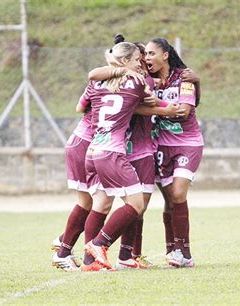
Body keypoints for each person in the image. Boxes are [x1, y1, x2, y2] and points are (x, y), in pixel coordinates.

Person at [80, 41, 151, 271]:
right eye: (136, 60)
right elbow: (149, 102)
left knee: (101, 203)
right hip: (112, 152)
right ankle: (99, 244)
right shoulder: (136, 82)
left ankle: (89, 262)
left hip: (93, 151)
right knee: (136, 203)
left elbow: (93, 78)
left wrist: (122, 70)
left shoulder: (99, 82)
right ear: (124, 61)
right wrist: (169, 108)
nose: (140, 63)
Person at [145, 38, 204, 268]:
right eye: (146, 55)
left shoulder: (184, 78)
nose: (147, 58)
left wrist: (153, 105)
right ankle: (173, 250)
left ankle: (185, 253)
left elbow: (183, 111)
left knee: (178, 194)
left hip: (187, 143)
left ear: (165, 54)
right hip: (160, 146)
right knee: (170, 200)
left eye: (151, 53)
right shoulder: (148, 81)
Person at [50, 86, 95, 272]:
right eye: (136, 59)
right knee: (89, 202)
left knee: (97, 202)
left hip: (95, 145)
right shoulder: (109, 80)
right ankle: (63, 252)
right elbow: (80, 107)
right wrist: (167, 109)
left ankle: (64, 241)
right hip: (84, 143)